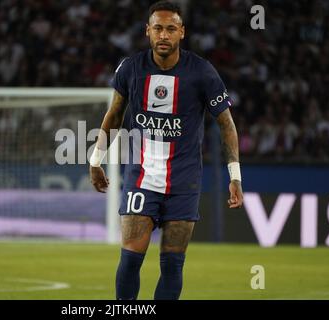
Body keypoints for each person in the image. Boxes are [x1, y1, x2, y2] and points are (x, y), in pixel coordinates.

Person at [89, 1, 243, 300]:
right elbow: (115, 114)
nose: (163, 35)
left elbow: (226, 124)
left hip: (183, 181)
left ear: (181, 32)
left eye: (171, 28)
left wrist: (234, 175)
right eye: (157, 28)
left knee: (172, 266)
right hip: (141, 176)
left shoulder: (202, 72)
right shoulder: (131, 67)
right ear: (147, 31)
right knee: (130, 259)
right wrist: (96, 159)